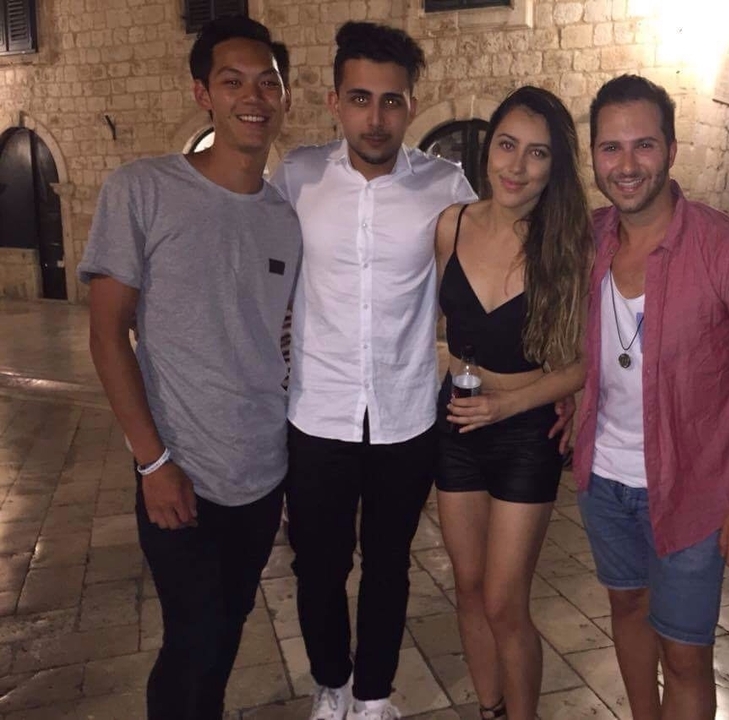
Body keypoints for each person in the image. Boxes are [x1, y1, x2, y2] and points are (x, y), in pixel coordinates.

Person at [79, 16, 299, 720]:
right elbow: (107, 334)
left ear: (284, 96)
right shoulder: (141, 189)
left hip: (262, 471)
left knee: (226, 631)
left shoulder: (285, 218)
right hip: (180, 472)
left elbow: (277, 335)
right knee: (194, 640)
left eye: (268, 82)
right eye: (233, 81)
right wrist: (152, 461)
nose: (253, 97)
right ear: (203, 93)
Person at [573, 74, 729, 720]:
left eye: (643, 145)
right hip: (603, 482)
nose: (626, 165)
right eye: (610, 147)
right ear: (593, 156)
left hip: (693, 490)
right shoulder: (587, 241)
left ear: (671, 150)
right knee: (626, 609)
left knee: (684, 654)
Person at [268, 22, 478, 720]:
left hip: (405, 414)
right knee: (317, 565)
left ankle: (373, 696)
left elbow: (485, 280)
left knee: (389, 564)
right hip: (316, 412)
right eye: (360, 98)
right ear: (335, 101)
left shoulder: (445, 186)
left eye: (392, 100)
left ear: (411, 104)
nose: (376, 117)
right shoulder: (298, 177)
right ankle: (331, 684)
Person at [434, 86, 591, 720]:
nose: (516, 167)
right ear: (488, 147)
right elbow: (433, 326)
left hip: (526, 433)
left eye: (537, 153)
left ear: (555, 168)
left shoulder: (568, 246)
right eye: (506, 145)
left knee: (505, 601)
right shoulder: (451, 225)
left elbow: (581, 365)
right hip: (456, 426)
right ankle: (489, 709)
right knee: (469, 589)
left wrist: (507, 404)